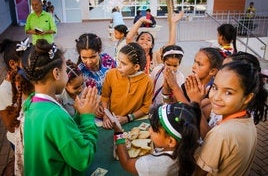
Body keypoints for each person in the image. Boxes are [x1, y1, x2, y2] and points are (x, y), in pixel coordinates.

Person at [22, 39, 99, 175]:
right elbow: (83, 158)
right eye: (65, 71)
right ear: (56, 73)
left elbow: (58, 138)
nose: (65, 74)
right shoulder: (54, 115)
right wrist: (87, 118)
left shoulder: (32, 103)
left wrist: (79, 115)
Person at [194, 61, 267, 175]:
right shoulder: (247, 119)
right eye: (215, 87)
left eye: (228, 92)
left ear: (247, 98)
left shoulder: (221, 134)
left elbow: (198, 173)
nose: (216, 97)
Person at [111, 102, 201, 176]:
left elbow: (126, 163)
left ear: (170, 141)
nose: (149, 130)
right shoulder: (190, 141)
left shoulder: (153, 165)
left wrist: (118, 132)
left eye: (154, 130)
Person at [101, 42, 154, 128]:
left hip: (133, 123)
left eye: (124, 63)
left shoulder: (147, 82)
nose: (119, 66)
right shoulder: (111, 74)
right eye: (118, 61)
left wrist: (127, 118)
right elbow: (105, 97)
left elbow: (146, 108)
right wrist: (106, 116)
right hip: (110, 121)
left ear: (136, 67)